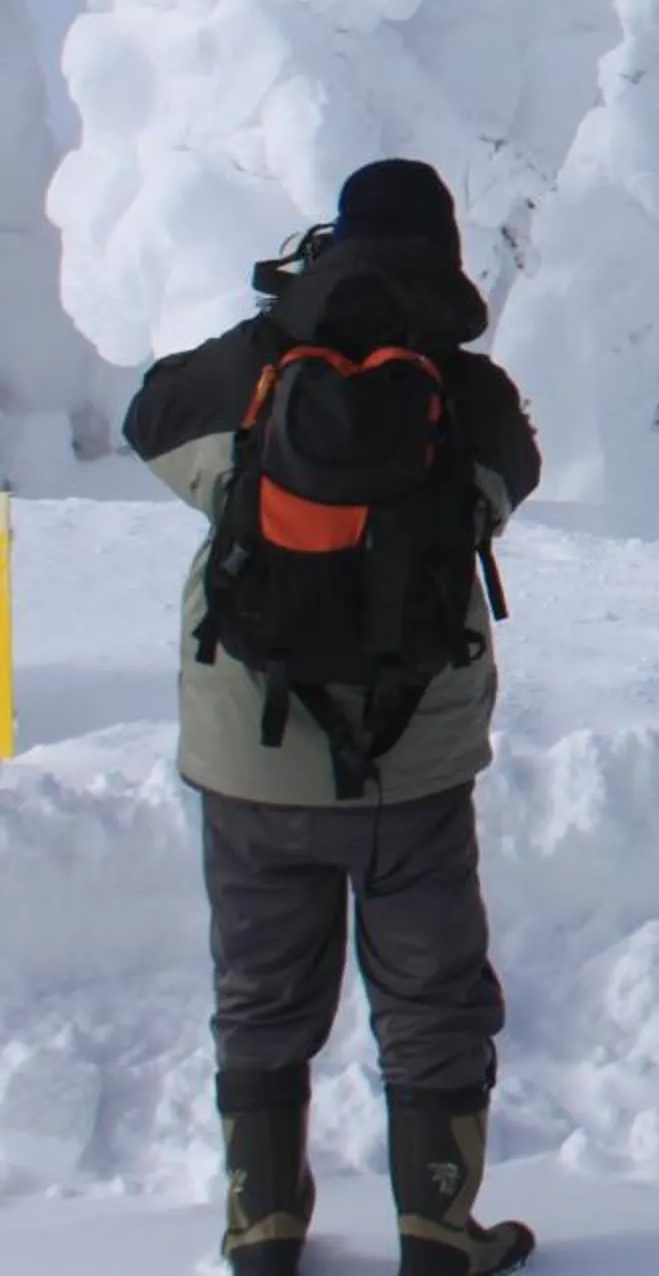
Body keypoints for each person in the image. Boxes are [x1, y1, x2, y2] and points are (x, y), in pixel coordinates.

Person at [122, 160, 542, 1276]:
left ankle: (261, 1231)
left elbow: (147, 416)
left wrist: (279, 340)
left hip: (249, 748)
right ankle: (439, 1231)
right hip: (414, 753)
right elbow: (509, 484)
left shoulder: (258, 363)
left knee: (259, 993)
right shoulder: (469, 391)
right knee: (433, 997)